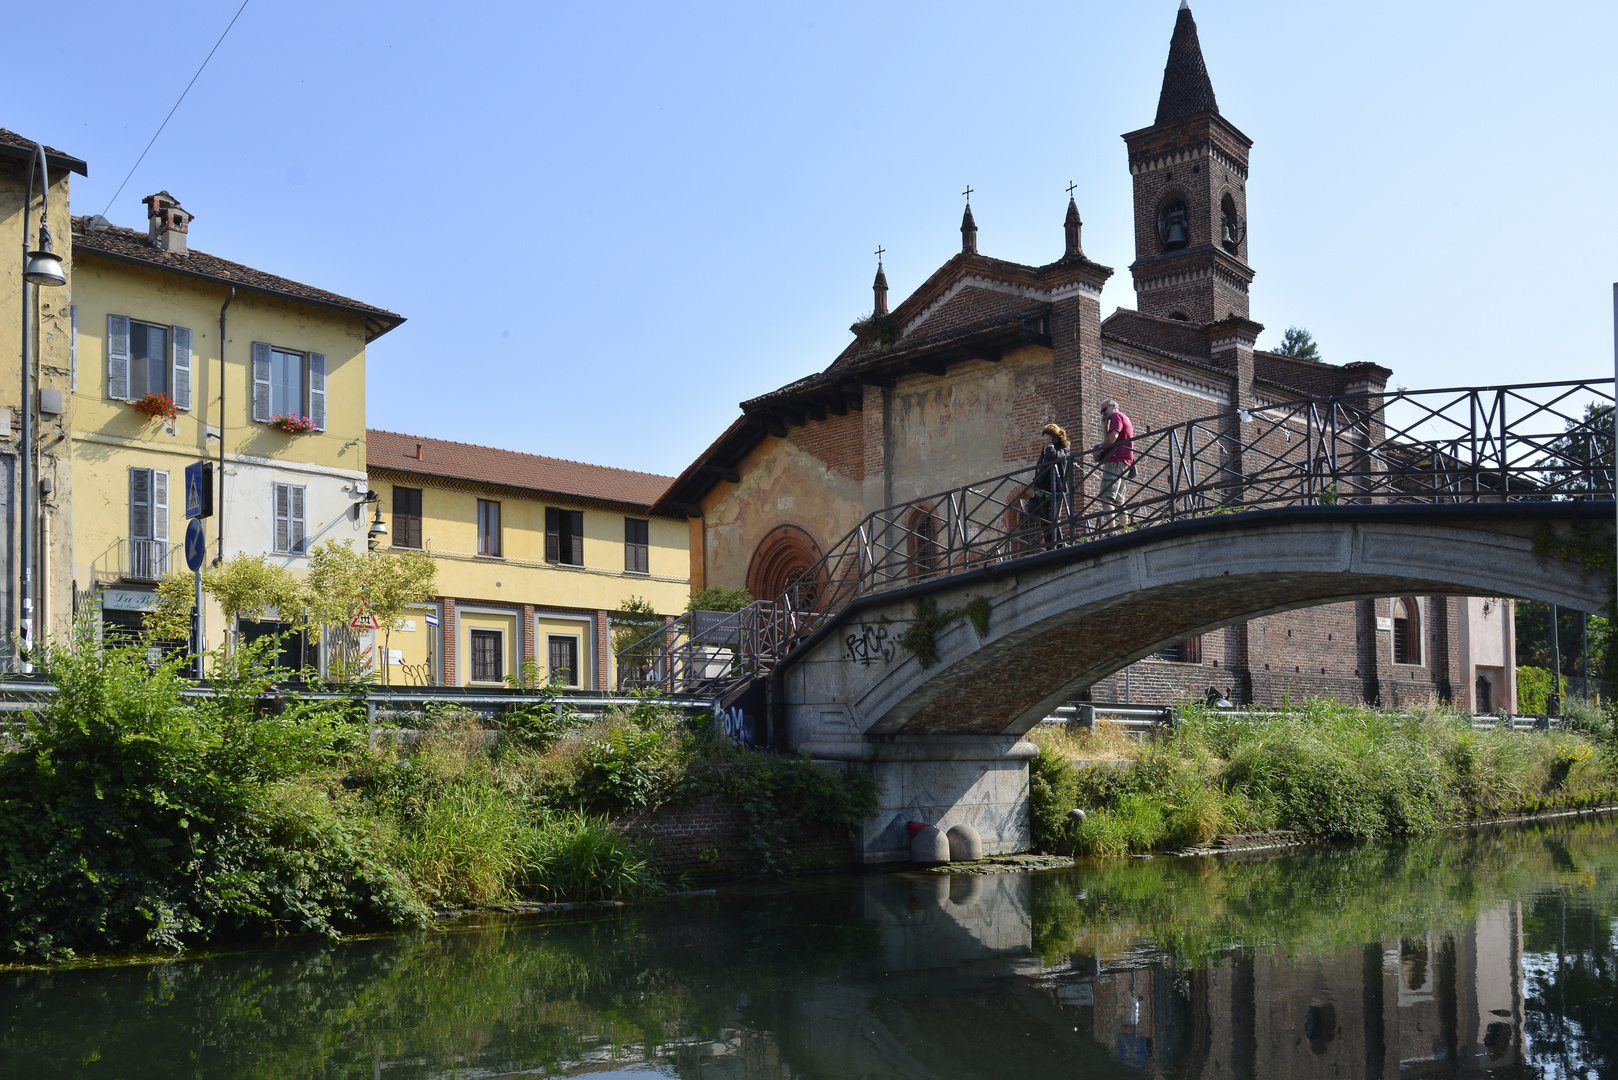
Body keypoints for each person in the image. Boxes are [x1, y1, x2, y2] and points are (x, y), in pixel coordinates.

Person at [1091, 399, 1134, 531]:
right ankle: (1125, 530)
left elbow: (1113, 437)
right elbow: (1109, 440)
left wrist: (1101, 449)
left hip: (1116, 460)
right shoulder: (1123, 418)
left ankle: (1111, 532)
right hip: (1124, 461)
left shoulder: (1117, 416)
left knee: (1105, 497)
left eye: (1104, 410)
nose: (1103, 413)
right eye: (1101, 412)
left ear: (1114, 406)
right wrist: (1104, 427)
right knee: (1119, 501)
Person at [1029, 423, 1070, 549]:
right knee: (1045, 520)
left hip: (1057, 488)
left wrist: (1051, 446)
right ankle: (1049, 547)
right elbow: (1041, 465)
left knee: (1054, 517)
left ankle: (1059, 545)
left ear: (1053, 435)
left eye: (1046, 435)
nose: (1044, 438)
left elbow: (1055, 458)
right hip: (1043, 488)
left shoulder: (1064, 447)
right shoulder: (1045, 448)